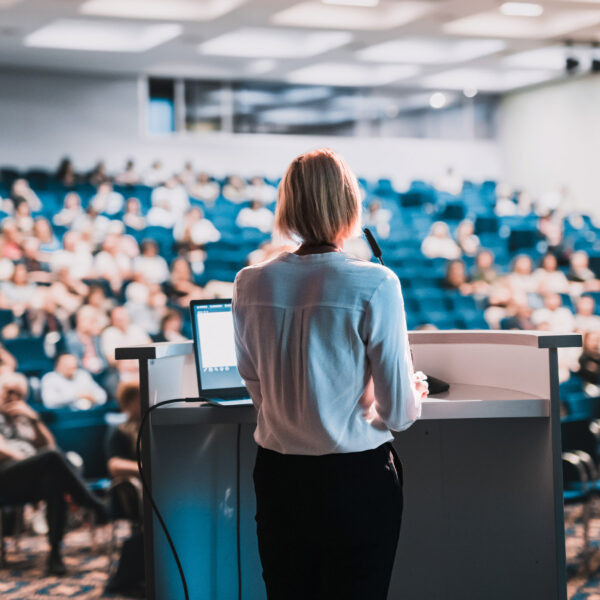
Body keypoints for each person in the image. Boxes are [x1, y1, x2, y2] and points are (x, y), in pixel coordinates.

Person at [232, 148, 427, 600]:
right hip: (355, 480)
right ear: (348, 204)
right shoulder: (376, 282)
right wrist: (413, 390)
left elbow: (257, 385)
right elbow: (398, 415)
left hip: (279, 476)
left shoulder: (249, 282)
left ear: (289, 205)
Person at [0, 372, 107, 575]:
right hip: (4, 477)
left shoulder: (23, 418)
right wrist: (33, 460)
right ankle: (89, 502)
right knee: (50, 458)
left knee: (54, 481)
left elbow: (50, 445)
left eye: (18, 394)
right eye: (8, 391)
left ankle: (54, 554)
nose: (13, 397)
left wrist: (34, 420)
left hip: (27, 480)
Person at [41, 353, 107, 410]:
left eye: (74, 365)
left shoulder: (83, 375)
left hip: (87, 414)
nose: (71, 366)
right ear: (58, 366)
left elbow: (102, 396)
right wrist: (77, 396)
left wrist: (93, 398)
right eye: (67, 365)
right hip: (63, 417)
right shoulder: (49, 378)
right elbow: (49, 402)